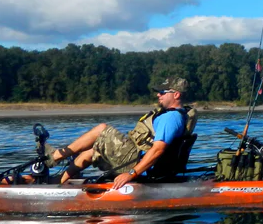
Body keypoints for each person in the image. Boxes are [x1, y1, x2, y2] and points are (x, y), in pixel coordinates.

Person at [48, 78, 193, 189]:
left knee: (102, 129)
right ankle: (58, 182)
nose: (158, 95)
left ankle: (54, 157)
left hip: (134, 161)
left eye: (162, 92)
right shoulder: (173, 115)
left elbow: (158, 150)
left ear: (176, 94)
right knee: (91, 152)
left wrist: (131, 174)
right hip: (134, 155)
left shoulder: (171, 118)